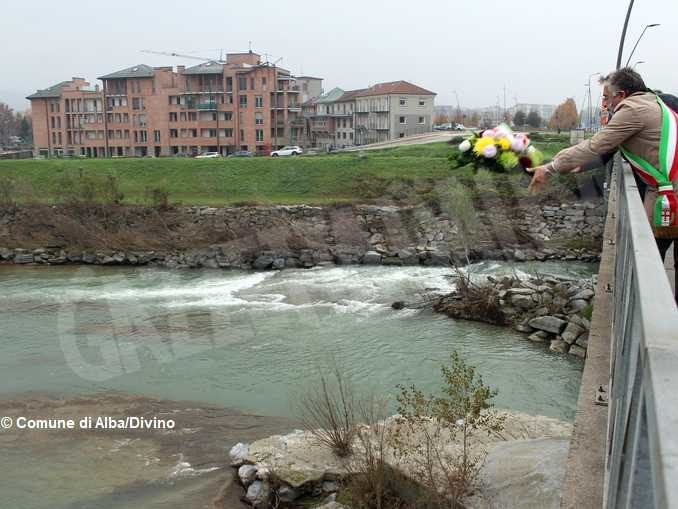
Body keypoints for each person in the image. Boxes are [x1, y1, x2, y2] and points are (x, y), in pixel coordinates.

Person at [528, 68, 678, 302]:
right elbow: (605, 148)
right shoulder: (653, 102)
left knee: (648, 259)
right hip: (666, 190)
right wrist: (566, 160)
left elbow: (595, 146)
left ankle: (652, 321)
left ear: (622, 95)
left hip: (668, 197)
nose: (605, 103)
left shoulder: (632, 110)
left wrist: (549, 168)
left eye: (607, 97)